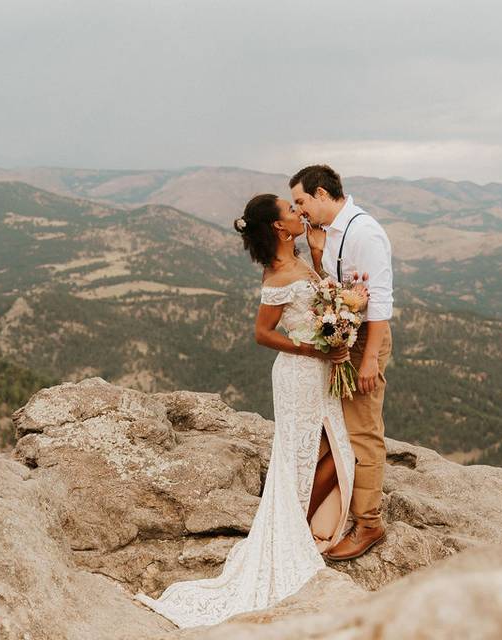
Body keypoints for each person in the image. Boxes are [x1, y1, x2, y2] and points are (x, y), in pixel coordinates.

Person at [132, 193, 360, 628]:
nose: (299, 214)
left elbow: (319, 295)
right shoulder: (277, 275)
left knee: (331, 447)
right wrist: (313, 347)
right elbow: (262, 333)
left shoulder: (299, 254)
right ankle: (291, 532)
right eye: (292, 211)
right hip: (298, 373)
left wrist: (344, 308)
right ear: (278, 226)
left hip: (317, 372)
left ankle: (296, 525)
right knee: (304, 453)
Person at [290, 164, 393, 561]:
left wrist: (368, 361)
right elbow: (335, 288)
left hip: (366, 339)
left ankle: (369, 523)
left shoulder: (364, 232)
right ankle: (332, 507)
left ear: (320, 193)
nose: (299, 210)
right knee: (339, 425)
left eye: (301, 201)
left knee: (363, 430)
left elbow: (380, 303)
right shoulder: (330, 234)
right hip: (346, 340)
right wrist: (317, 255)